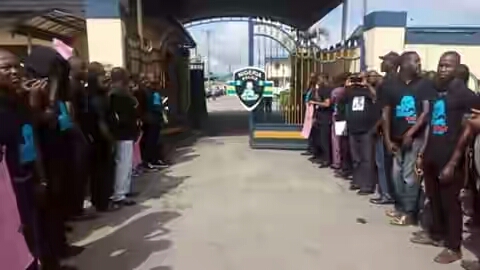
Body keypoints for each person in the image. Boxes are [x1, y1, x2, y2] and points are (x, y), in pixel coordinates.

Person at [413, 52, 480, 264]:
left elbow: (468, 132)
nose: (443, 69)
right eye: (441, 65)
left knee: (451, 203)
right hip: (433, 153)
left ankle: (453, 247)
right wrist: (423, 154)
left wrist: (453, 162)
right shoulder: (439, 94)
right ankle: (436, 234)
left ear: (457, 68)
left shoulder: (467, 96)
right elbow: (433, 127)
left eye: (448, 66)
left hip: (451, 158)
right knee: (433, 198)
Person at [381, 51, 436, 226]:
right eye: (416, 61)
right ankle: (401, 207)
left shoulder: (425, 84)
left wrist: (411, 133)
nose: (419, 64)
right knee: (396, 175)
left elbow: (426, 112)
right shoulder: (389, 85)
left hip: (416, 138)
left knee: (409, 176)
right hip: (396, 138)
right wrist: (388, 140)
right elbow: (385, 113)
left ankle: (410, 213)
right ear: (405, 63)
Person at [86, 62, 119, 212]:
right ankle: (103, 202)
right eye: (102, 77)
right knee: (102, 173)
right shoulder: (95, 99)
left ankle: (101, 200)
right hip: (101, 141)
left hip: (100, 140)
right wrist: (110, 140)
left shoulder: (100, 95)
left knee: (101, 172)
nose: (106, 80)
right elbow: (101, 123)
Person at [370, 52, 399, 205]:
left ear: (391, 64)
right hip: (396, 127)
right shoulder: (400, 81)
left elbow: (384, 109)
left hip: (385, 128)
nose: (382, 64)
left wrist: (377, 126)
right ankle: (392, 193)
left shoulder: (385, 83)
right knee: (393, 165)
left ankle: (386, 194)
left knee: (382, 163)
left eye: (384, 61)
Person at [344, 72, 379, 194]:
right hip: (353, 129)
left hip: (367, 130)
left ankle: (367, 185)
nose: (358, 81)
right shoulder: (352, 92)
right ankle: (357, 181)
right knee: (356, 158)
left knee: (367, 159)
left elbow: (376, 98)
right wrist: (348, 85)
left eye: (363, 78)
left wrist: (367, 85)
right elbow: (343, 98)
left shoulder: (370, 91)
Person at [109, 67, 138, 206]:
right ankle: (119, 194)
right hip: (122, 133)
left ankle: (124, 190)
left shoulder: (120, 92)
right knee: (123, 163)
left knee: (126, 163)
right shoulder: (117, 94)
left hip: (126, 132)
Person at [310, 73, 333, 168]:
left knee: (324, 140)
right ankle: (322, 157)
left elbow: (327, 104)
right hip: (320, 117)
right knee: (319, 139)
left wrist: (315, 102)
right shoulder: (320, 89)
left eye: (319, 79)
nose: (317, 81)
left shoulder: (327, 90)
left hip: (325, 117)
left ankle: (327, 159)